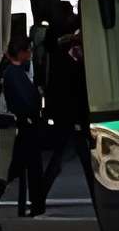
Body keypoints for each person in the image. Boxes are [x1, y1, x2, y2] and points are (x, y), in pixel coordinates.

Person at [33, 21, 87, 216]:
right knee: (82, 161)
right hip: (75, 115)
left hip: (65, 115)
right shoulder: (72, 58)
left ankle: (38, 200)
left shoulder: (56, 56)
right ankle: (38, 199)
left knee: (59, 159)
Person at [0, 31, 44, 217]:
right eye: (28, 51)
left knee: (21, 166)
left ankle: (33, 202)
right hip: (26, 124)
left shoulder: (12, 72)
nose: (30, 54)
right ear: (22, 52)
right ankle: (34, 202)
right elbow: (26, 99)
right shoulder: (14, 74)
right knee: (23, 166)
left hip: (24, 125)